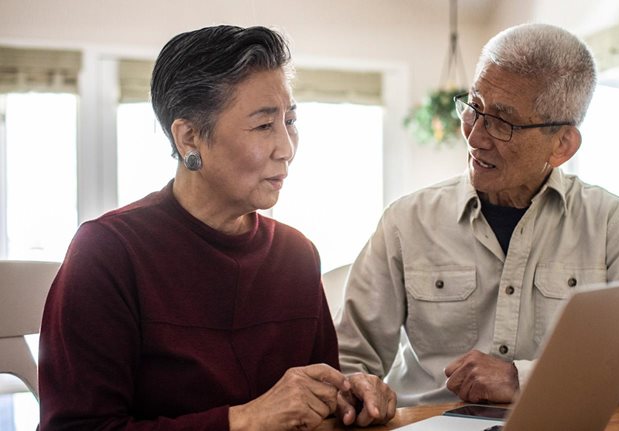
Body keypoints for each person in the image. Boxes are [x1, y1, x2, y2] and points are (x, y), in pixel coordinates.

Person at [39, 25, 395, 430]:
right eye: (264, 126)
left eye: (290, 120)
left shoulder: (297, 255)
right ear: (190, 137)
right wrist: (243, 420)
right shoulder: (108, 252)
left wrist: (349, 396)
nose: (287, 148)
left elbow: (313, 406)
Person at [335, 23, 619, 406]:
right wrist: (360, 392)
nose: (475, 136)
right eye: (474, 108)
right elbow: (346, 362)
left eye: (502, 122)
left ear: (562, 144)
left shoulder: (609, 224)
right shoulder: (406, 221)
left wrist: (523, 379)